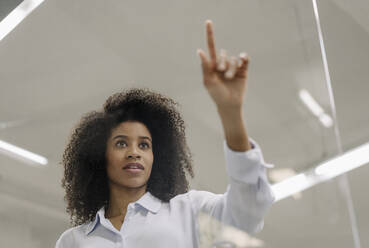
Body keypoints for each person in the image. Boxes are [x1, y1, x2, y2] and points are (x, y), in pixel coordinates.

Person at [55, 20, 275, 248]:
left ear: (155, 157)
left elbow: (248, 211)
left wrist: (230, 113)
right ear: (101, 156)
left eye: (144, 145)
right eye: (121, 144)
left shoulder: (190, 211)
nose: (134, 153)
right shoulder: (73, 241)